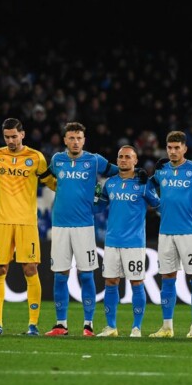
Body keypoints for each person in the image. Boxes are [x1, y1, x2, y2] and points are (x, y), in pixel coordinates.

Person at [0, 118, 57, 336]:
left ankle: (33, 325)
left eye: (14, 136)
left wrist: (73, 190)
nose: (11, 140)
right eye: (7, 137)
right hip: (2, 222)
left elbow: (52, 183)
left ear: (23, 134)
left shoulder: (36, 157)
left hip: (27, 222)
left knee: (30, 269)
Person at [44, 122, 118, 337]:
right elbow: (44, 177)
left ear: (84, 140)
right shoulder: (57, 160)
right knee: (60, 276)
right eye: (71, 138)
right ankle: (61, 324)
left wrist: (137, 173)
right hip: (59, 226)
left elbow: (118, 171)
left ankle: (88, 325)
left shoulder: (94, 160)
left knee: (86, 275)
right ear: (65, 140)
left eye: (79, 138)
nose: (75, 142)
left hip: (84, 226)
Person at [149, 131, 192, 338]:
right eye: (169, 148)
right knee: (167, 277)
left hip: (190, 233)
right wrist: (156, 203)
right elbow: (145, 188)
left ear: (185, 148)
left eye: (177, 147)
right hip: (166, 232)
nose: (173, 151)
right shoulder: (161, 171)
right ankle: (167, 327)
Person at [96, 146, 159, 337]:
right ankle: (111, 327)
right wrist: (93, 195)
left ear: (135, 161)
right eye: (120, 157)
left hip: (134, 242)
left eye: (128, 157)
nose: (123, 160)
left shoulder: (143, 183)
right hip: (112, 241)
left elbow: (157, 204)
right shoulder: (110, 183)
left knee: (136, 282)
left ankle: (136, 327)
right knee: (111, 281)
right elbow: (99, 207)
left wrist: (151, 182)